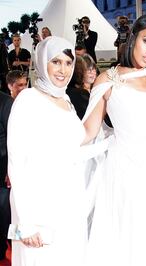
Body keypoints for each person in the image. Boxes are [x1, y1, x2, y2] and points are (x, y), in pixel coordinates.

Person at [83, 15, 146, 265]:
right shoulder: (108, 78)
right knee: (124, 240)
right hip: (123, 172)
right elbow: (88, 132)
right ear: (133, 38)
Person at [7, 36, 87, 266]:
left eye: (68, 62)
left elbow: (75, 148)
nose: (63, 69)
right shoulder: (28, 100)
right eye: (56, 62)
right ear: (43, 62)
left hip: (70, 206)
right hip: (39, 209)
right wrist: (27, 223)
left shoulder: (67, 101)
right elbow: (17, 164)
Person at [0, 91, 12, 261]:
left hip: (2, 174)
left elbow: (14, 139)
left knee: (6, 218)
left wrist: (11, 170)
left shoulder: (5, 102)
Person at [67, 54, 97, 119]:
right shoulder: (76, 93)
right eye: (88, 69)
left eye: (93, 68)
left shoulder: (97, 89)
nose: (92, 72)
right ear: (79, 71)